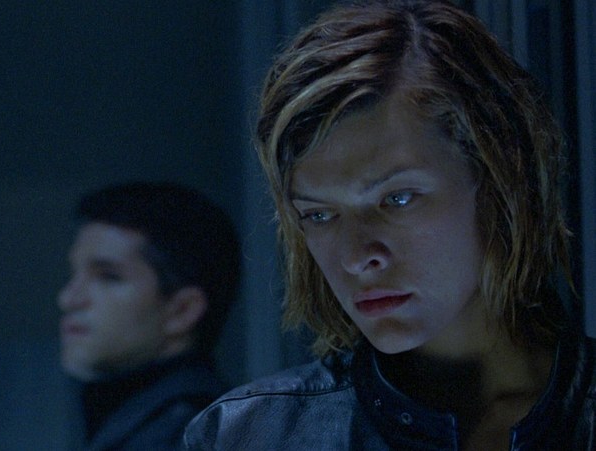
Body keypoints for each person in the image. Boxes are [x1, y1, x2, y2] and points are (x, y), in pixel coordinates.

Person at [184, 0, 596, 449]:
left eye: (397, 199)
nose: (357, 257)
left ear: (498, 180)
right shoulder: (247, 436)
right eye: (320, 215)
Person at [57, 181, 241, 451]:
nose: (68, 299)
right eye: (75, 274)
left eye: (108, 277)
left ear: (182, 310)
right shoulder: (161, 423)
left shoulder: (186, 434)